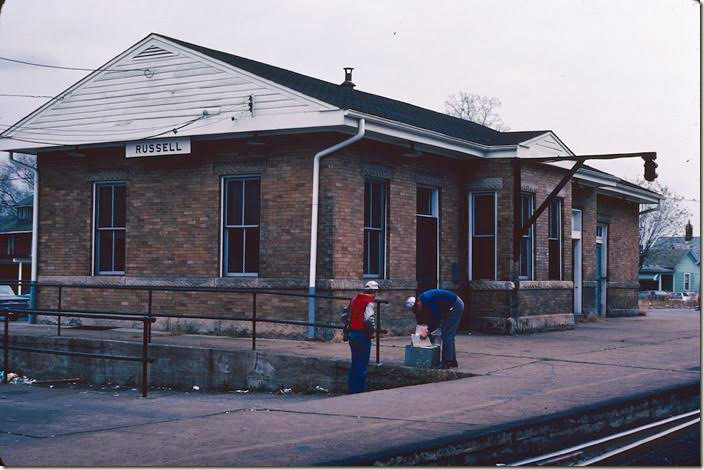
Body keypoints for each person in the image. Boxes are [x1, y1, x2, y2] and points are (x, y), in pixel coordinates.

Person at [405, 289, 464, 369]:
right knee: (448, 335)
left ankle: (446, 362)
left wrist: (428, 331)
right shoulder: (421, 304)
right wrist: (418, 336)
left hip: (455, 305)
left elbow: (437, 319)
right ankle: (452, 361)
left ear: (418, 303)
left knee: (446, 334)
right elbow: (420, 321)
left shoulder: (429, 300)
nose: (417, 311)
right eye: (414, 310)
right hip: (447, 308)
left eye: (416, 309)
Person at [346, 280, 378, 394]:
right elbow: (369, 319)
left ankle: (351, 389)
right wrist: (372, 332)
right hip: (362, 335)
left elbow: (344, 314)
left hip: (352, 334)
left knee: (355, 363)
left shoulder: (354, 299)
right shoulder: (368, 302)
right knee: (362, 364)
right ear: (374, 292)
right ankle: (359, 391)